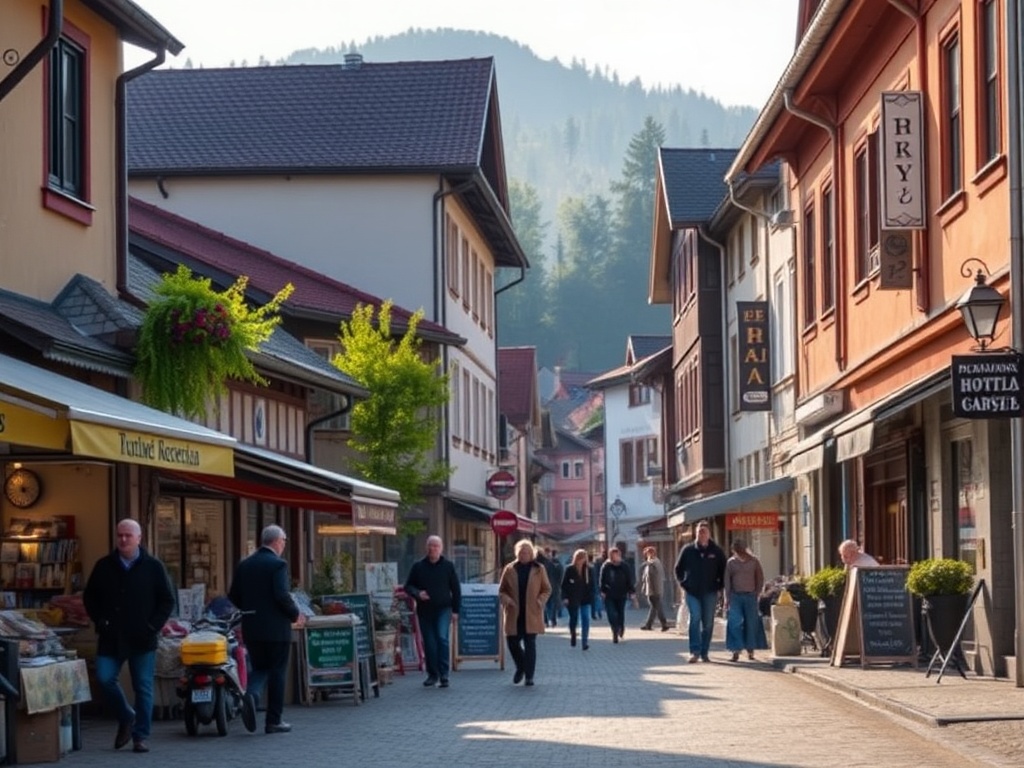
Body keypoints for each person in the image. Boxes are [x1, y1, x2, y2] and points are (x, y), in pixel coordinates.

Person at [83, 518, 176, 753]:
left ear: (139, 539)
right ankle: (127, 715)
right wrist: (100, 620)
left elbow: (167, 600)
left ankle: (140, 736)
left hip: (142, 637)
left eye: (128, 535)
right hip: (111, 636)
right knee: (104, 678)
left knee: (143, 687)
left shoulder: (153, 567)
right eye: (120, 535)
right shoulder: (104, 566)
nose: (123, 539)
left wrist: (152, 626)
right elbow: (90, 597)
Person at [228, 524, 305, 734]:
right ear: (277, 541)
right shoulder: (278, 565)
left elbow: (233, 594)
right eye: (284, 541)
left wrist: (250, 609)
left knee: (260, 667)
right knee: (277, 671)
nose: (284, 545)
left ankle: (251, 695)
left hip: (252, 627)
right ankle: (273, 721)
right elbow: (281, 595)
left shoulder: (245, 564)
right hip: (276, 629)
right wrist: (295, 614)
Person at [403, 535, 461, 688]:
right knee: (429, 643)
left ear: (441, 548)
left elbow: (456, 589)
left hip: (444, 609)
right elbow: (408, 586)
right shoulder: (418, 566)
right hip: (425, 611)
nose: (433, 548)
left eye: (436, 546)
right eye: (430, 545)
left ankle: (444, 674)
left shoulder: (448, 566)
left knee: (442, 638)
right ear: (426, 547)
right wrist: (418, 593)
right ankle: (433, 674)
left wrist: (456, 610)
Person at [499, 539, 551, 686]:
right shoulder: (510, 569)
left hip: (531, 613)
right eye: (521, 552)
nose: (524, 555)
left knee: (530, 644)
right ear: (517, 553)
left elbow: (547, 589)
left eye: (527, 552)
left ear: (531, 554)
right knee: (512, 643)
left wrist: (540, 600)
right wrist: (506, 599)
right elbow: (502, 590)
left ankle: (529, 676)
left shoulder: (539, 569)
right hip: (514, 613)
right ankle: (521, 666)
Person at [674, 520, 726, 663]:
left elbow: (724, 571)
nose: (701, 534)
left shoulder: (716, 551)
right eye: (699, 532)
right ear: (695, 534)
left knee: (708, 623)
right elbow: (678, 569)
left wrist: (720, 587)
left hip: (710, 592)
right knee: (695, 618)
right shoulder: (688, 550)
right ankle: (694, 651)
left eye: (704, 532)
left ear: (709, 534)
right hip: (692, 592)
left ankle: (704, 652)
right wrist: (683, 584)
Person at [724, 538, 767, 662]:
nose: (739, 552)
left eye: (741, 549)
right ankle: (735, 650)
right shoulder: (731, 563)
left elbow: (760, 578)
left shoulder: (754, 561)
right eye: (737, 549)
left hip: (750, 596)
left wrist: (757, 592)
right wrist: (727, 597)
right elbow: (727, 581)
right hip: (735, 596)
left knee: (751, 623)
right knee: (734, 622)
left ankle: (750, 649)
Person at [599, 546, 635, 643]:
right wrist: (602, 591)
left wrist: (631, 591)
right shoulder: (606, 566)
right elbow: (602, 579)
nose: (615, 557)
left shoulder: (624, 566)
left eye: (617, 555)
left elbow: (629, 579)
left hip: (621, 594)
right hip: (609, 594)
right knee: (611, 614)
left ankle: (621, 627)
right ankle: (614, 630)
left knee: (620, 613)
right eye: (613, 555)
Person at [560, 548, 593, 650]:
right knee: (574, 618)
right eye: (580, 558)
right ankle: (573, 633)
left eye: (584, 558)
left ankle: (584, 642)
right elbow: (564, 585)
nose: (582, 561)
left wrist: (593, 596)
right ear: (576, 558)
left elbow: (592, 585)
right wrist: (565, 597)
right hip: (572, 598)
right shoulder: (570, 569)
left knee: (585, 618)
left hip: (585, 598)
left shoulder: (588, 569)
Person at [639, 546, 669, 632]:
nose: (646, 555)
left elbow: (656, 578)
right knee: (654, 607)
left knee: (657, 607)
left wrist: (656, 590)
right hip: (652, 589)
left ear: (651, 553)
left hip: (654, 590)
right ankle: (649, 624)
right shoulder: (651, 563)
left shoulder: (654, 563)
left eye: (647, 553)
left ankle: (664, 624)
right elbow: (646, 578)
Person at [590, 551, 605, 619]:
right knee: (597, 600)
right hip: (597, 585)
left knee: (594, 601)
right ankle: (598, 613)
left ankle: (595, 613)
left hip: (594, 586)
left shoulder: (593, 567)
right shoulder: (599, 566)